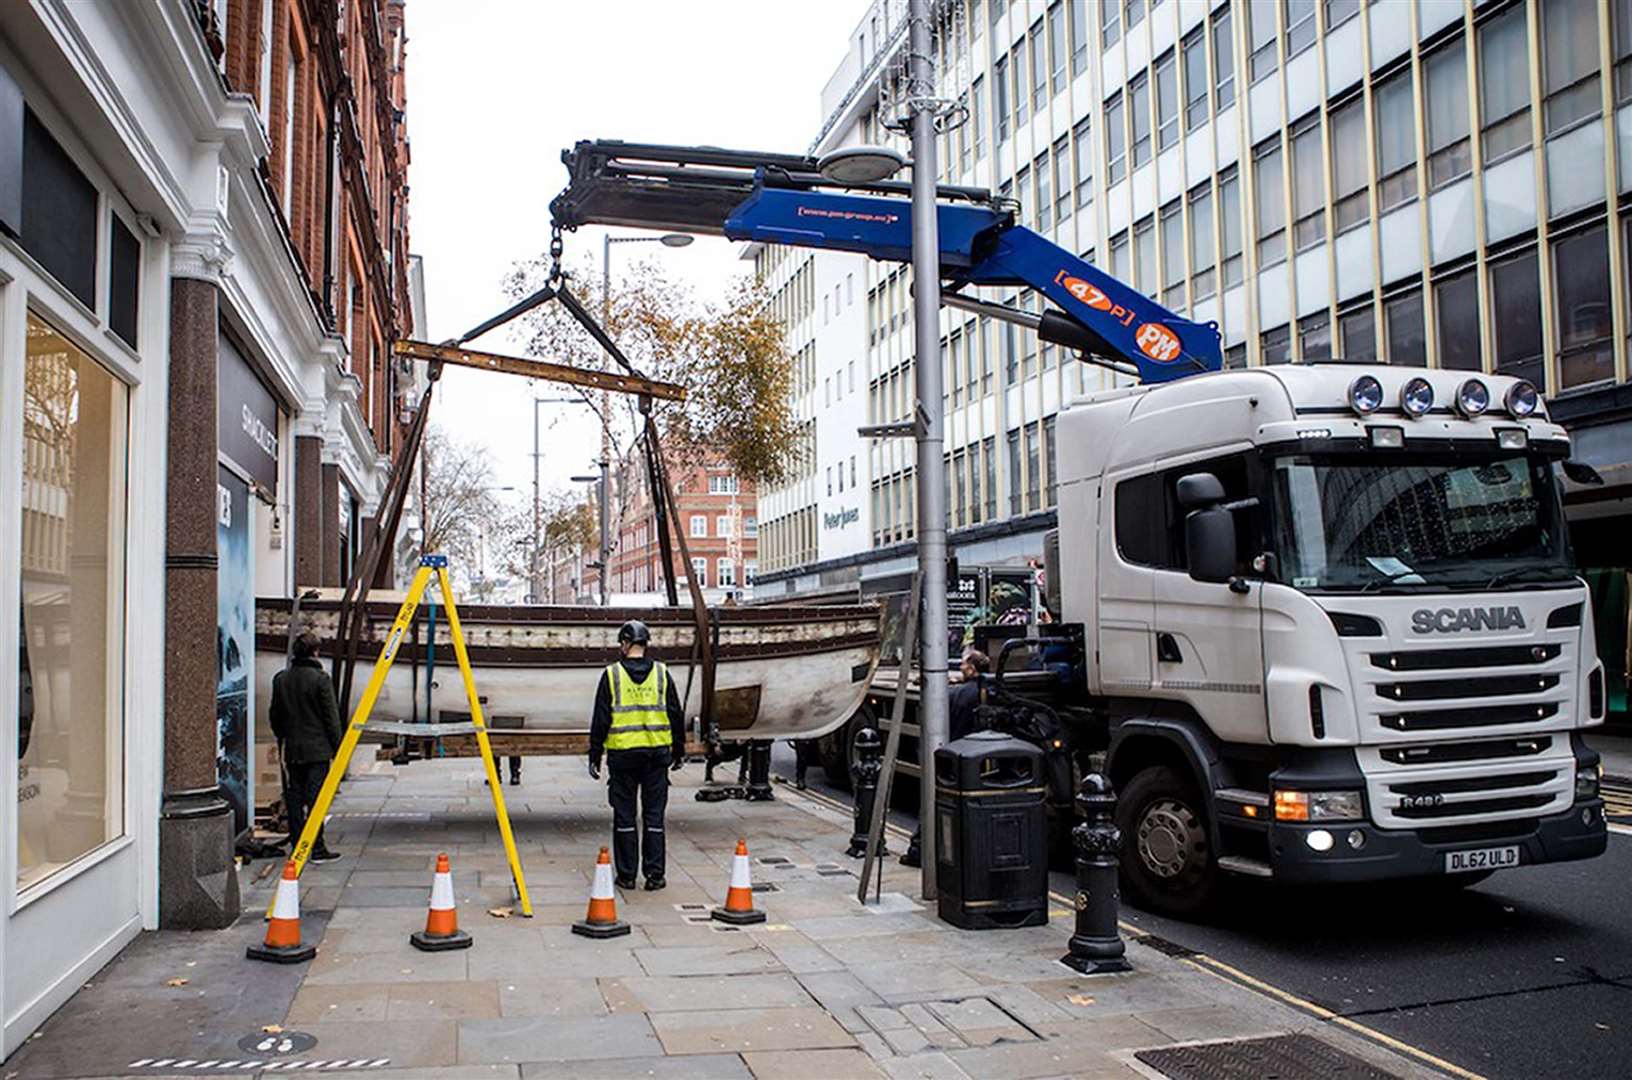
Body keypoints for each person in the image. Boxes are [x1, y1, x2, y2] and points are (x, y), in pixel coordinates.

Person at [588, 620, 686, 890]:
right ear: (645, 645)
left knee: (625, 817)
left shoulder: (611, 675)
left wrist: (595, 754)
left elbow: (600, 719)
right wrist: (679, 750)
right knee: (654, 818)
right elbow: (675, 714)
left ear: (624, 644)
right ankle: (655, 876)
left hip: (623, 757)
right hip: (656, 757)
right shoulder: (663, 674)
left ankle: (627, 876)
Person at [901, 649, 991, 867]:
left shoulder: (954, 695)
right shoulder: (989, 691)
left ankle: (919, 850)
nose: (960, 667)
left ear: (971, 668)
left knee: (937, 801)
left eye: (962, 664)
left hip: (953, 755)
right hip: (980, 758)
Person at [269, 631, 343, 863]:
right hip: (318, 750)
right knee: (316, 799)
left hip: (293, 749)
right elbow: (331, 718)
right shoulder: (320, 679)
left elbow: (275, 715)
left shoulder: (281, 679)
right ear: (315, 652)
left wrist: (283, 737)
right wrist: (338, 747)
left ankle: (297, 845)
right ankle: (318, 848)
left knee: (294, 797)